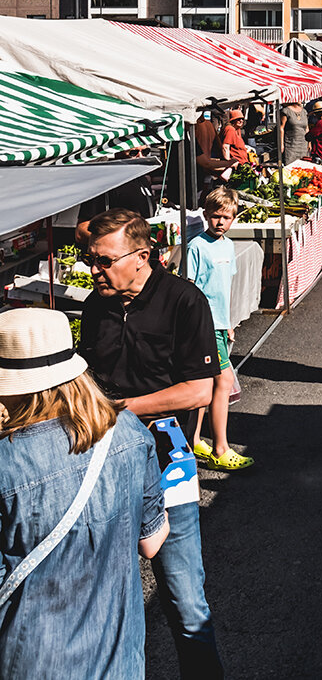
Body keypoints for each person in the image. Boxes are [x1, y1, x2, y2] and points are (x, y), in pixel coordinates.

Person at [79, 208, 224, 677]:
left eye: (104, 261)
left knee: (184, 600)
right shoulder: (96, 304)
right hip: (104, 464)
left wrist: (119, 409)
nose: (93, 269)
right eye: (90, 259)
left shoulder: (184, 300)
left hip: (166, 462)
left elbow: (199, 391)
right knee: (105, 599)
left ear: (142, 256)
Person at [0, 309, 168, 680]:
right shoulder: (127, 430)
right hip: (120, 660)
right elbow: (151, 542)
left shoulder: (6, 462)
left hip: (32, 663)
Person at [188, 186, 252, 471]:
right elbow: (190, 289)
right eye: (215, 216)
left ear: (234, 218)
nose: (220, 222)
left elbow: (225, 288)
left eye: (226, 217)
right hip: (204, 326)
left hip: (220, 324)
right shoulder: (196, 247)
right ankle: (221, 448)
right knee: (223, 381)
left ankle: (194, 439)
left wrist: (230, 323)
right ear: (206, 215)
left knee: (207, 382)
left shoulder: (228, 246)